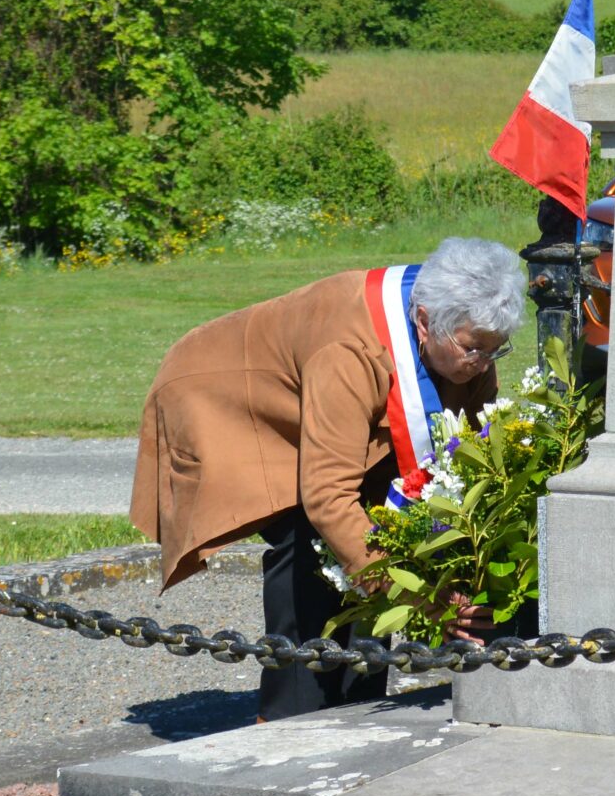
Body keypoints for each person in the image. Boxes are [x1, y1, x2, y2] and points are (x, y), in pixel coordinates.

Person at [129, 236, 525, 719]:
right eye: (474, 349)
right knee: (306, 538)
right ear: (425, 322)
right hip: (226, 400)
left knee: (379, 520)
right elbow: (327, 497)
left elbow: (459, 467)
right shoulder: (349, 352)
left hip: (322, 398)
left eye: (495, 352)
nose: (482, 364)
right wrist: (416, 595)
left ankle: (359, 703)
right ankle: (290, 715)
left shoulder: (463, 337)